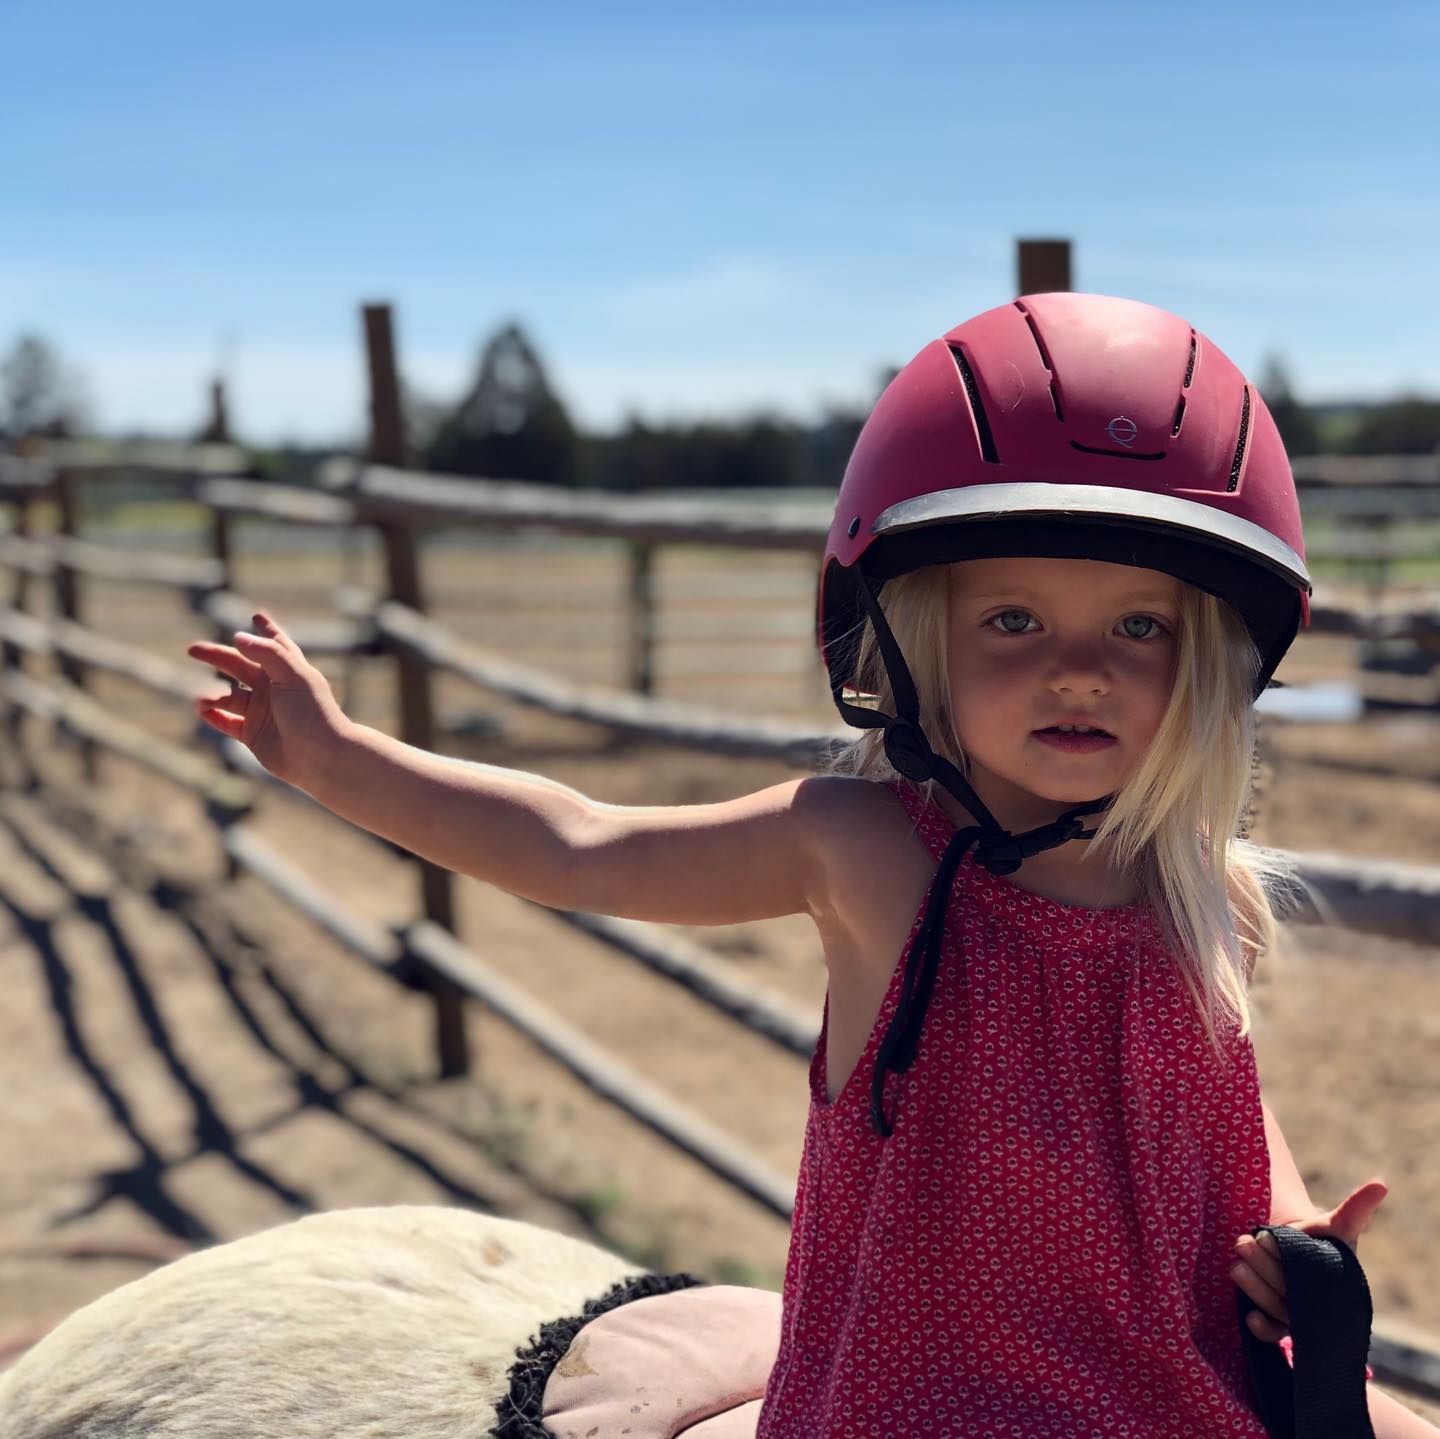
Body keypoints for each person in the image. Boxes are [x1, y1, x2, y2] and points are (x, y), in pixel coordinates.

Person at [187, 293, 1436, 1438]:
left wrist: (1293, 1221)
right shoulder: (867, 847)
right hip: (919, 1408)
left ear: (1212, 658)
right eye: (1013, 618)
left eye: (1140, 625)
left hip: (1178, 1398)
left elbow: (1226, 1106)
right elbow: (585, 844)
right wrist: (340, 759)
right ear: (911, 637)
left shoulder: (1205, 896)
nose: (1079, 668)